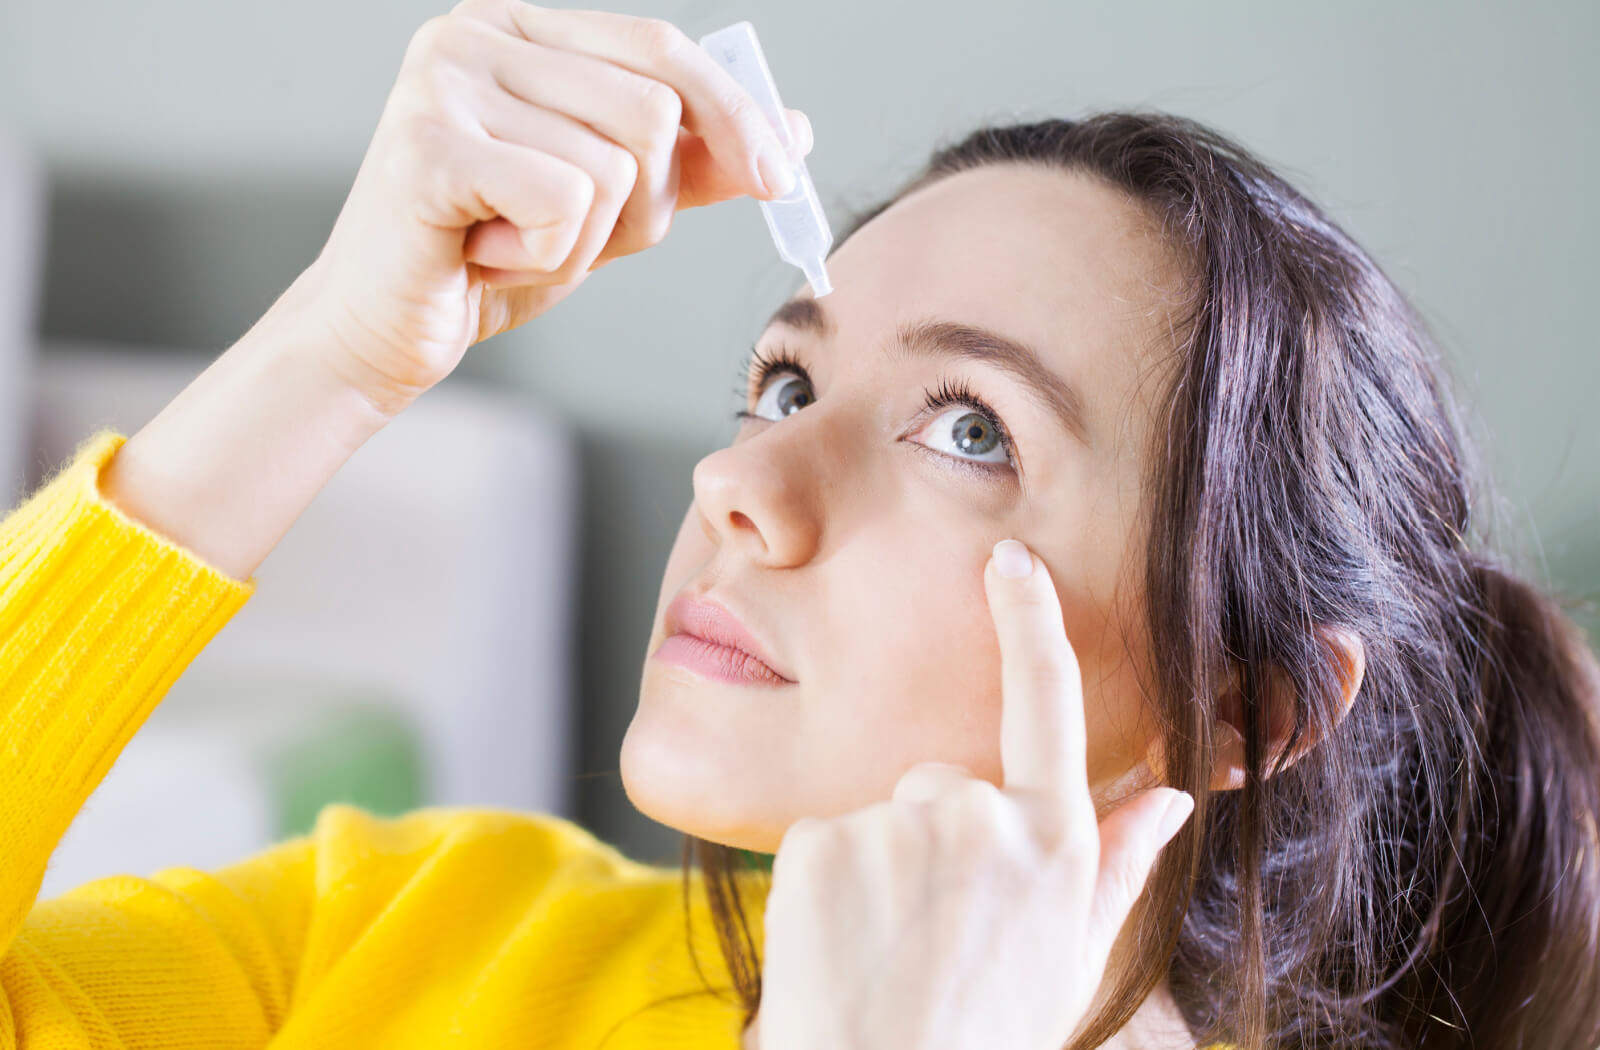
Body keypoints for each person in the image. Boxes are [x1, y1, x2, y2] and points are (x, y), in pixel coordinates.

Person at [2, 2, 1596, 1048]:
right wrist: (332, 354)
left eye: (972, 429)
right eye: (781, 383)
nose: (737, 488)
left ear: (1246, 708)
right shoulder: (412, 929)